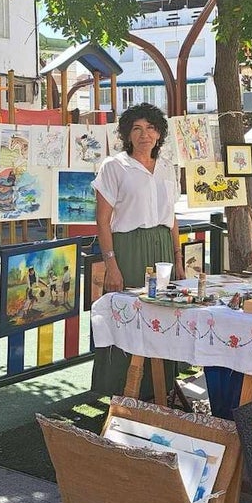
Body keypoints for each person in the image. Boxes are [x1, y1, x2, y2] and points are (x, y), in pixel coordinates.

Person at [91, 102, 184, 397]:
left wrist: (178, 259)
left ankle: (160, 388)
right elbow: (103, 221)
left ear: (159, 134)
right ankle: (121, 389)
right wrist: (112, 265)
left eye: (151, 128)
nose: (145, 135)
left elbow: (172, 217)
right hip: (129, 249)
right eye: (137, 129)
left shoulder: (167, 168)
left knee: (164, 314)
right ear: (127, 134)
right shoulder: (114, 166)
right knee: (129, 316)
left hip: (163, 252)